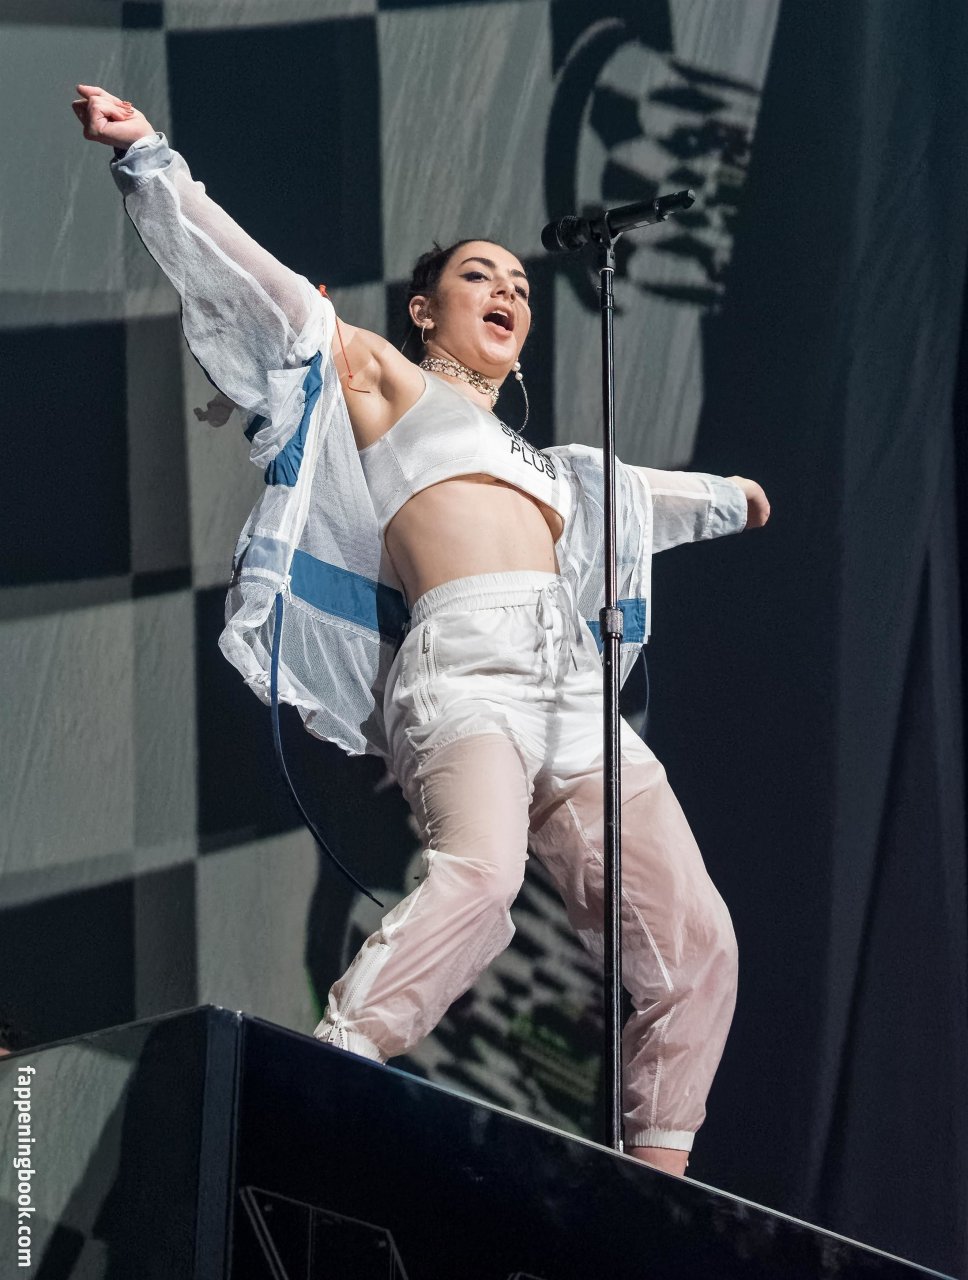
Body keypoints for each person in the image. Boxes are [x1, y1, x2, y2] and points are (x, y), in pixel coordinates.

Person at [72, 84, 770, 1176]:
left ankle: (658, 1189)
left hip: (570, 686)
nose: (507, 290)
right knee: (480, 878)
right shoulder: (390, 384)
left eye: (519, 285)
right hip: (465, 669)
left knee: (699, 944)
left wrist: (733, 498)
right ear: (425, 312)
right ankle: (327, 1072)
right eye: (478, 276)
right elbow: (269, 295)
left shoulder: (556, 468)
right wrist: (151, 163)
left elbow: (644, 494)